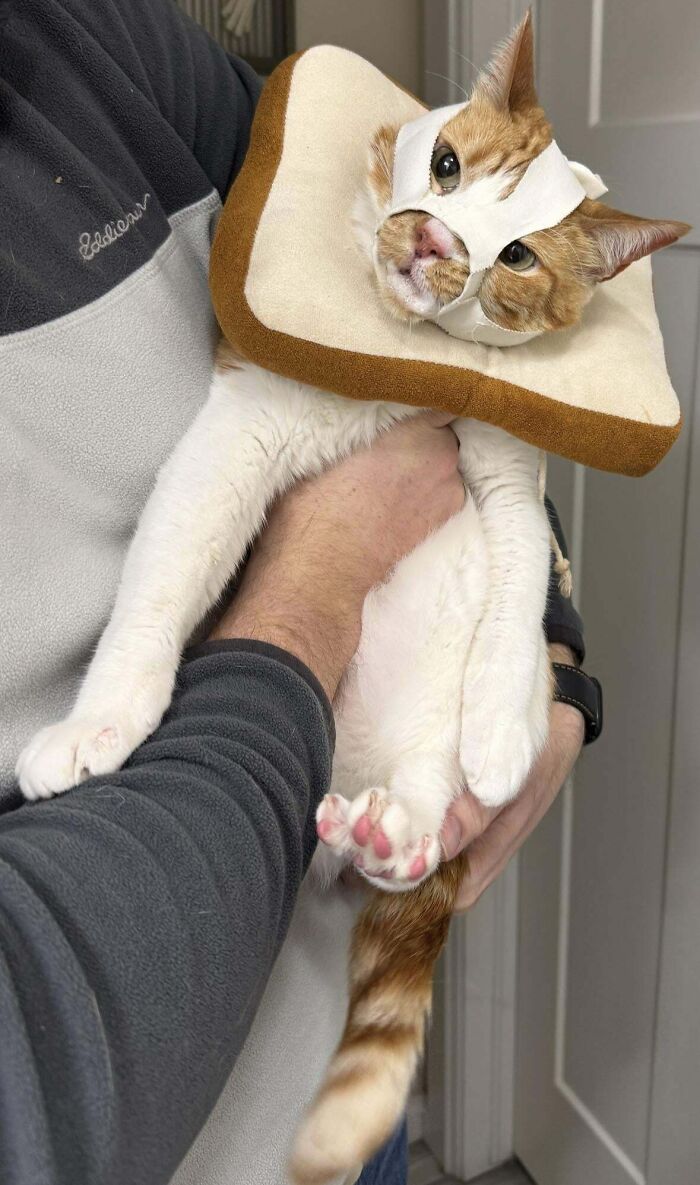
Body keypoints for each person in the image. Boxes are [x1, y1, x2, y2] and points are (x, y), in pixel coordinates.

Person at [0, 2, 587, 1183]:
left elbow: (501, 469)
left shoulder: (91, 43)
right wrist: (312, 585)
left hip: (320, 1018)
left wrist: (554, 668)